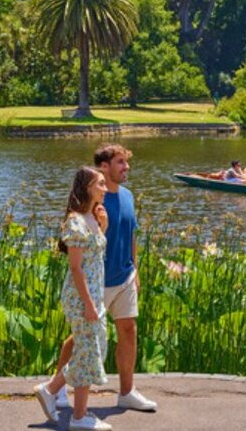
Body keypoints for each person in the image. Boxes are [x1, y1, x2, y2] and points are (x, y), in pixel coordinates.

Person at [35, 145, 157, 426]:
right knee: (82, 339)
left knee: (128, 329)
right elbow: (79, 256)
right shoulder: (92, 207)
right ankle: (58, 389)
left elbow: (131, 234)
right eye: (120, 163)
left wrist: (135, 268)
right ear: (103, 167)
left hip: (124, 275)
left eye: (127, 162)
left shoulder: (127, 196)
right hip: (95, 284)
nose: (126, 167)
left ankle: (126, 392)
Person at [35, 167, 111, 431]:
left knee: (94, 347)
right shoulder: (76, 222)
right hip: (81, 298)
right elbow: (76, 268)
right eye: (100, 183)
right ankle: (79, 417)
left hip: (94, 295)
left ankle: (51, 389)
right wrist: (89, 304)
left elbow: (96, 255)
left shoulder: (92, 217)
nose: (105, 187)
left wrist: (104, 226)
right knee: (89, 351)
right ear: (88, 187)